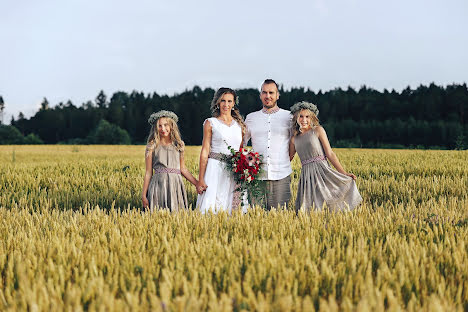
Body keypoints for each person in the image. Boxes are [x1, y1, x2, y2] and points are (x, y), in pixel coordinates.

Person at [289, 101, 362, 212]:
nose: (304, 120)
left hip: (322, 171)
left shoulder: (318, 130)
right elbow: (288, 158)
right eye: (301, 117)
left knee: (329, 199)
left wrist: (344, 173)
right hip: (306, 176)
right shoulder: (294, 139)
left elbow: (330, 153)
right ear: (296, 118)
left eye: (307, 116)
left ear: (312, 117)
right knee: (310, 207)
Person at [196, 88, 247, 213]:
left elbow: (241, 151)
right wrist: (201, 178)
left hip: (233, 171)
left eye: (229, 101)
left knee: (232, 208)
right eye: (223, 101)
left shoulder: (240, 125)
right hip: (214, 169)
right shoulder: (210, 123)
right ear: (218, 103)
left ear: (234, 103)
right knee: (211, 207)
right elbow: (205, 151)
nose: (226, 104)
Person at [244, 79, 292, 210]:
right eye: (264, 92)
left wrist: (286, 160)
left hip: (282, 175)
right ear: (260, 95)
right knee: (255, 218)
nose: (268, 96)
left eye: (271, 92)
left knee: (281, 219)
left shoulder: (289, 117)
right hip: (256, 178)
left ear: (278, 95)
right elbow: (241, 145)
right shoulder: (251, 118)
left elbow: (295, 142)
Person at [142, 110, 199, 212]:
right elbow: (148, 172)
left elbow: (183, 169)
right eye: (159, 126)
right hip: (158, 185)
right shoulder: (151, 146)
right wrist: (143, 195)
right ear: (155, 128)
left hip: (175, 185)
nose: (163, 128)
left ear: (172, 126)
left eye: (166, 125)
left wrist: (197, 184)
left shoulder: (179, 145)